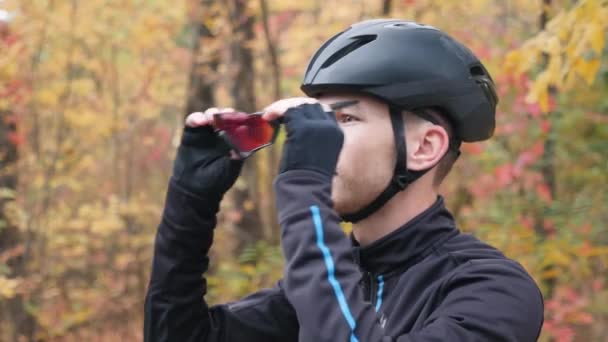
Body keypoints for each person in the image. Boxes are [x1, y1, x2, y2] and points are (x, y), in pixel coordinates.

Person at [144, 19, 544, 341]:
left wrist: (304, 190)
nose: (319, 141)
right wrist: (191, 204)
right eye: (319, 123)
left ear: (425, 147)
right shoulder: (320, 290)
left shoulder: (493, 292)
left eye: (345, 120)